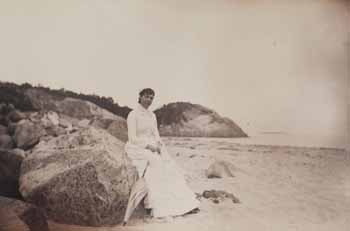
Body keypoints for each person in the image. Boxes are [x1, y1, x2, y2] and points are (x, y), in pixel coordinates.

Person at [125, 88, 199, 218]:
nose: (149, 100)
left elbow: (156, 135)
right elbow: (132, 138)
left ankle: (183, 203)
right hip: (138, 146)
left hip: (153, 145)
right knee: (155, 163)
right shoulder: (133, 114)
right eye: (147, 97)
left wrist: (159, 144)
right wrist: (149, 146)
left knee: (169, 165)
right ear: (140, 97)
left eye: (152, 98)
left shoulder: (152, 115)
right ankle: (152, 205)